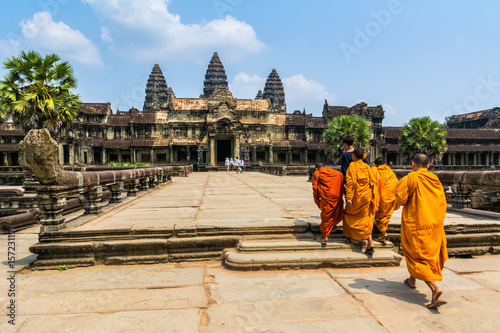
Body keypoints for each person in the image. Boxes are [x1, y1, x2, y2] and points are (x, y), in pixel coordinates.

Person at [395, 153, 448, 309]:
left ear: (413, 165)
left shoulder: (410, 179)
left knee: (417, 256)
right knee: (420, 254)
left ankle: (434, 288)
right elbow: (442, 202)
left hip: (417, 224)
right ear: (428, 166)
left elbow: (400, 200)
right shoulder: (435, 180)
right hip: (433, 225)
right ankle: (412, 280)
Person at [343, 147, 379, 253]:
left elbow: (351, 183)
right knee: (366, 218)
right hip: (367, 195)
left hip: (357, 197)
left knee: (352, 216)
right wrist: (373, 196)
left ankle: (354, 238)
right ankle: (370, 242)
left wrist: (348, 197)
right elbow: (373, 182)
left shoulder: (352, 166)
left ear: (354, 155)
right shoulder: (367, 167)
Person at [312, 163, 344, 243]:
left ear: (316, 169)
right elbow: (340, 175)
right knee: (334, 213)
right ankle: (332, 227)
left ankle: (325, 237)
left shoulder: (317, 173)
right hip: (336, 196)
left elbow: (315, 188)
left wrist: (317, 201)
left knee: (325, 216)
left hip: (326, 197)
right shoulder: (333, 172)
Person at [372, 157, 398, 242]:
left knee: (378, 214)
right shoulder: (390, 172)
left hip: (379, 198)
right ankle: (383, 232)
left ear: (375, 164)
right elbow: (395, 183)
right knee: (385, 215)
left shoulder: (374, 171)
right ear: (385, 164)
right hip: (389, 197)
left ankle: (383, 232)